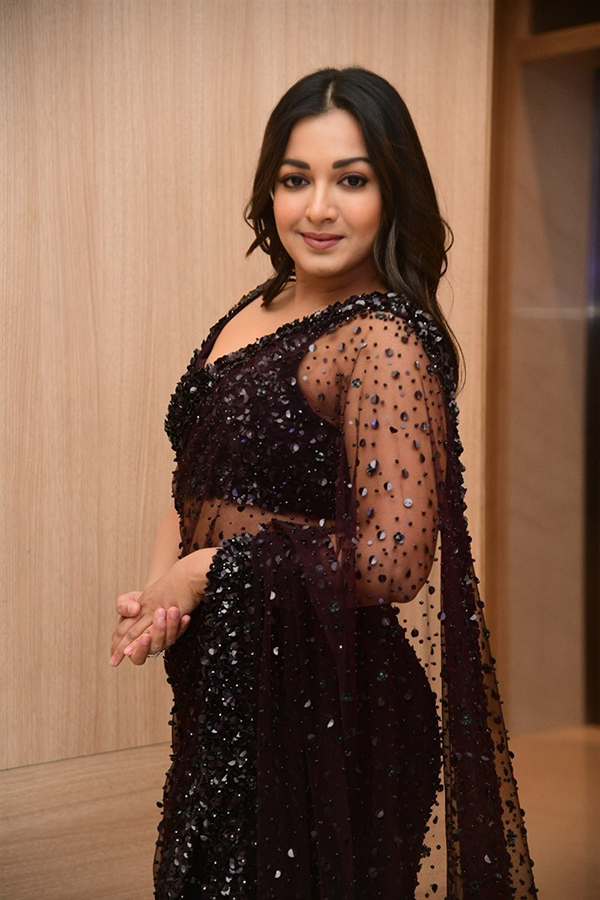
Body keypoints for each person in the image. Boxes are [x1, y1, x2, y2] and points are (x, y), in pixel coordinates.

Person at [109, 67, 538, 899]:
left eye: (351, 180)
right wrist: (161, 599)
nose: (318, 208)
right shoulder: (259, 305)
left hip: (334, 714)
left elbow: (395, 559)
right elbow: (196, 479)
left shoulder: (382, 340)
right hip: (230, 695)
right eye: (295, 179)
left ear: (392, 191)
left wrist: (203, 573)